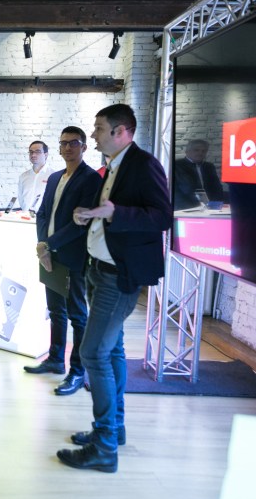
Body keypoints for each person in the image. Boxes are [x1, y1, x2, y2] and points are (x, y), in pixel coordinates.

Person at [57, 104, 171, 474]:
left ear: (121, 132)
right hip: (98, 270)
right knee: (113, 350)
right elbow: (109, 212)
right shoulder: (113, 166)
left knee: (92, 353)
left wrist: (114, 213)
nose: (93, 135)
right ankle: (114, 429)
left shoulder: (143, 164)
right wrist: (89, 215)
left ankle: (104, 446)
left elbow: (162, 217)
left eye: (99, 128)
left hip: (117, 276)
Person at [24, 126, 103, 397]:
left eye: (74, 143)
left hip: (73, 256)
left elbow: (81, 223)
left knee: (78, 315)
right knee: (55, 310)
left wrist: (50, 244)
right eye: (64, 143)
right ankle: (56, 359)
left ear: (84, 147)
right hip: (50, 255)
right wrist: (43, 245)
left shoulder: (90, 179)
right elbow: (42, 213)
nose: (68, 147)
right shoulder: (55, 177)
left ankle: (78, 371)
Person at [172, 139, 225, 210]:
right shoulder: (176, 165)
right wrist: (191, 207)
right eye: (196, 150)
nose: (200, 153)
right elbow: (175, 191)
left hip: (209, 207)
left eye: (204, 151)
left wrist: (216, 204)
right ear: (187, 151)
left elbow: (217, 187)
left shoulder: (209, 166)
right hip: (185, 208)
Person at [18, 140, 57, 212]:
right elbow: (21, 199)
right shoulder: (23, 176)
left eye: (37, 152)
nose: (33, 155)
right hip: (26, 217)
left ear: (46, 155)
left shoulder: (53, 176)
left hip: (45, 217)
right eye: (31, 152)